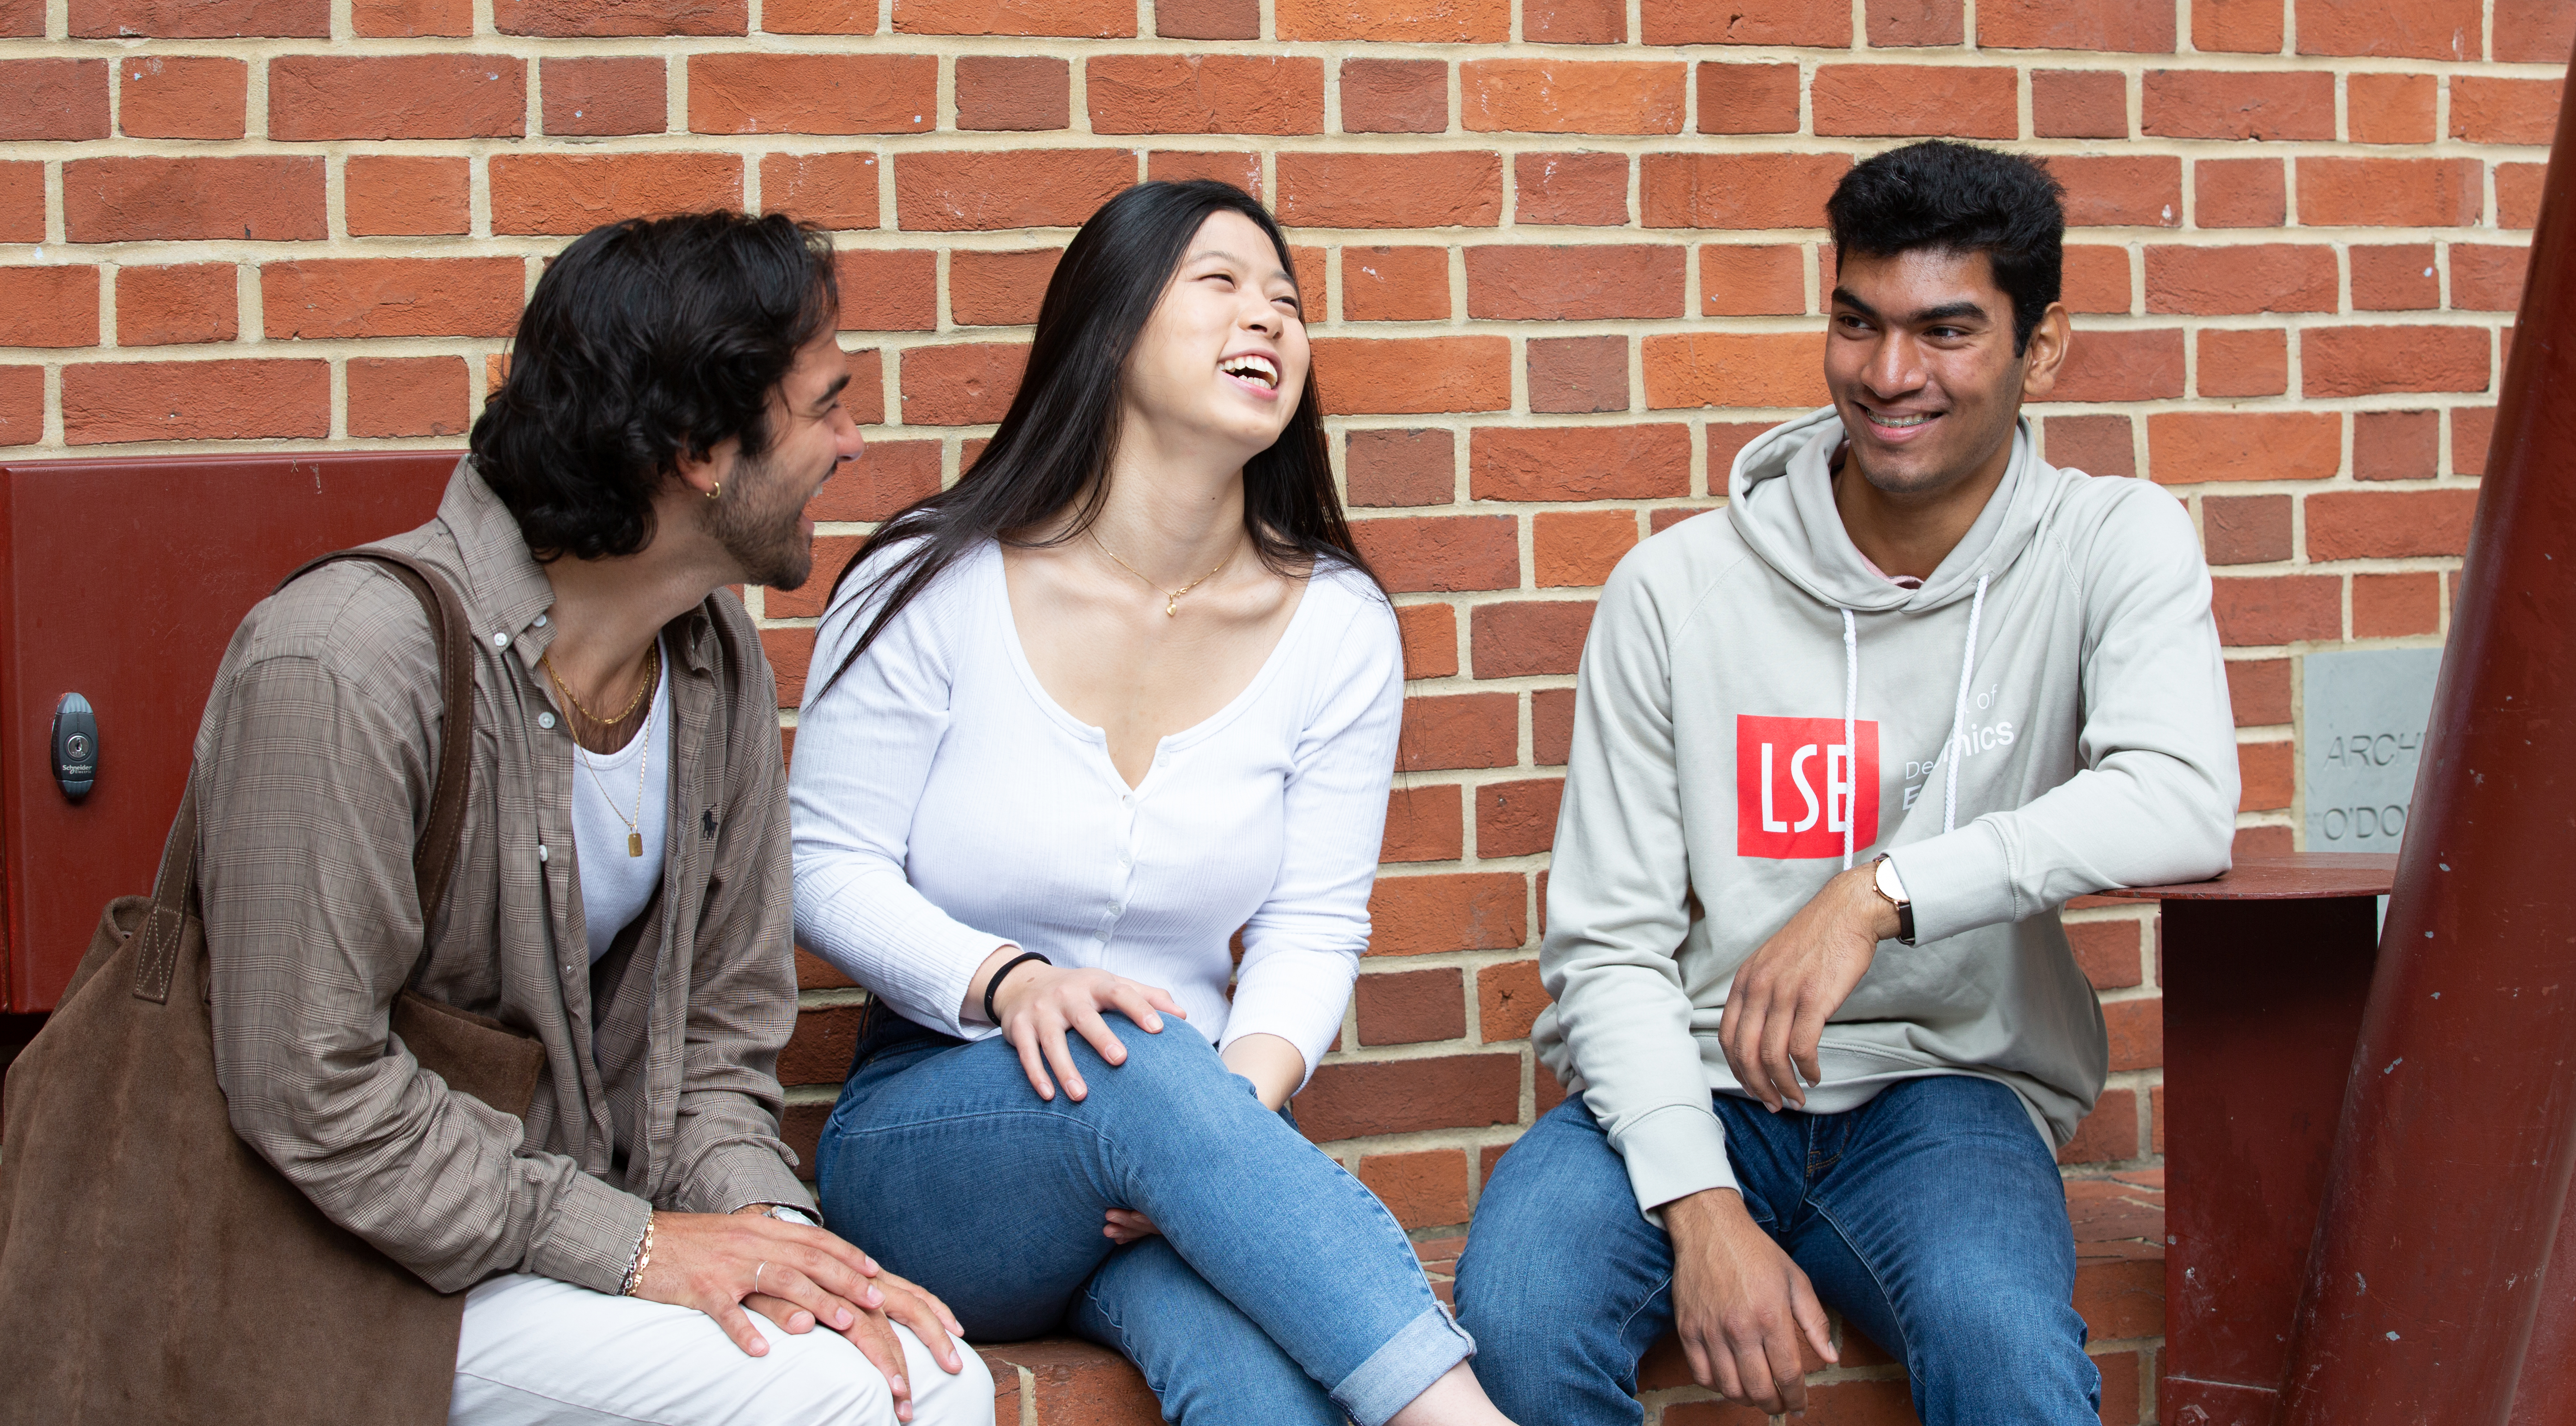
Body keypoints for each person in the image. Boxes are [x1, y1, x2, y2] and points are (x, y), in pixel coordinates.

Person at [1456, 142, 2239, 1423]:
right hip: (1695, 1081)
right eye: (1857, 323)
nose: (1890, 376)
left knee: (2009, 1354)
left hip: (1949, 1095)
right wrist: (1701, 1209)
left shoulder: (2114, 542)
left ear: (2043, 351)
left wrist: (1876, 895)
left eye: (1946, 332)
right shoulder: (1677, 589)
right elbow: (1608, 948)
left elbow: (2182, 797)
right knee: (1516, 1321)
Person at [187, 211, 994, 1426]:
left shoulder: (712, 655)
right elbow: (311, 1085)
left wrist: (775, 1242)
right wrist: (633, 1247)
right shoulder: (348, 661)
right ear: (696, 449)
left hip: (552, 1247)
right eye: (826, 404)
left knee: (917, 1371)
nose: (855, 441)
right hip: (337, 1275)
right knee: (839, 1404)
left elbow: (720, 1046)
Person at [789, 180, 1522, 1426]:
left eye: (1287, 301)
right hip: (945, 1138)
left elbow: (1312, 927)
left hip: (1184, 1142)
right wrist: (1016, 982)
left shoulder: (1338, 627)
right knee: (1134, 1063)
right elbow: (822, 865)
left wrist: (1215, 1129)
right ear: (1112, 331)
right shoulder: (935, 581)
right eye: (1222, 284)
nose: (1271, 319)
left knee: (1259, 1393)